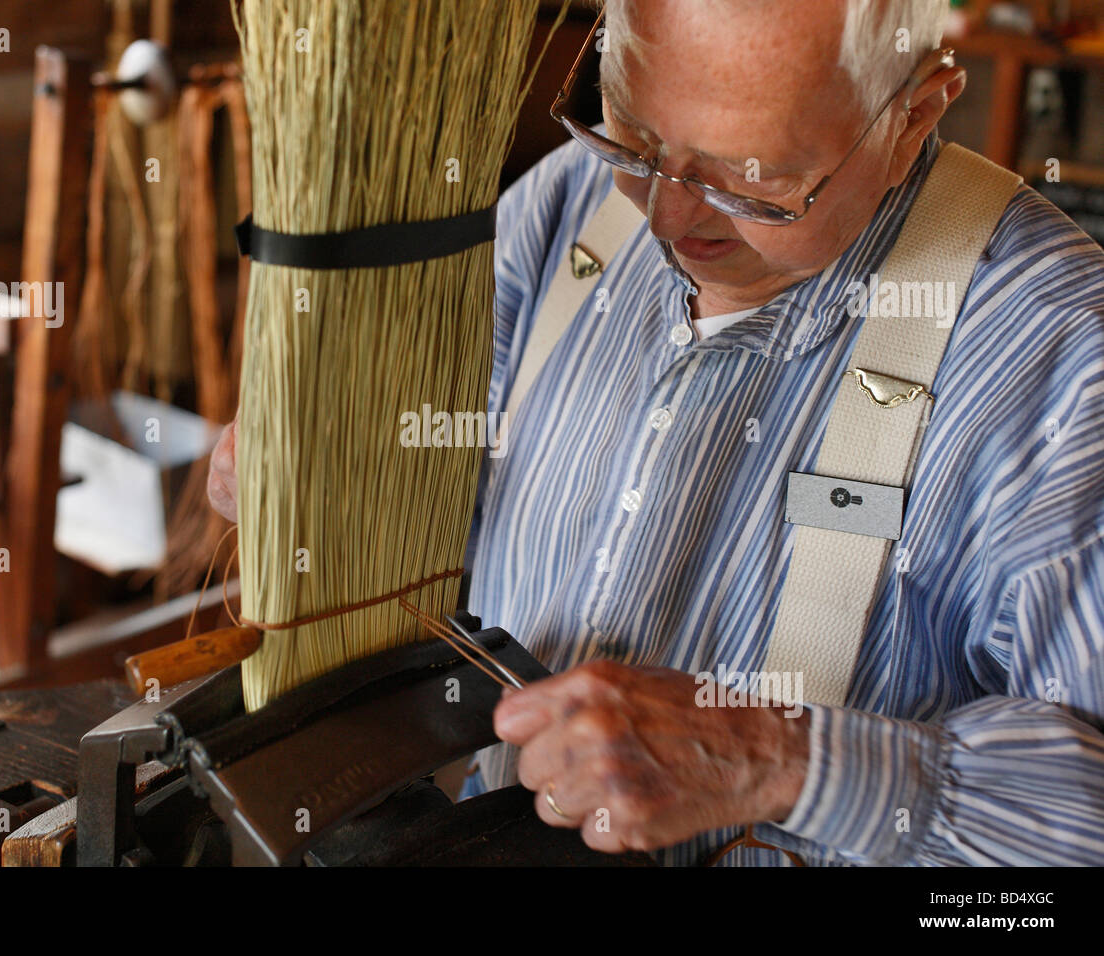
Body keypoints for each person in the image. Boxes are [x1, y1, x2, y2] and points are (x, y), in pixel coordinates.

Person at [210, 0, 1104, 865]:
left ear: (913, 114)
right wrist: (323, 477)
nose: (671, 219)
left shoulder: (1060, 357)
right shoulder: (573, 209)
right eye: (634, 139)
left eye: (751, 180)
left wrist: (779, 760)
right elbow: (440, 469)